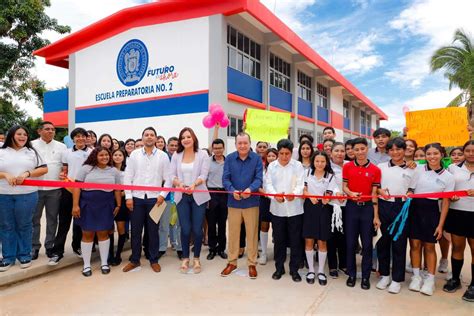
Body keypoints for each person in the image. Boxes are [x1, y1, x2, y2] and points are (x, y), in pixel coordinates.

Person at [408, 143, 455, 296]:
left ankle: (430, 280)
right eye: (429, 154)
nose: (432, 157)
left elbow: (446, 202)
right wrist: (409, 192)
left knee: (429, 246)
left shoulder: (448, 176)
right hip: (415, 209)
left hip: (432, 211)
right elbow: (411, 189)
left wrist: (440, 225)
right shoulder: (418, 169)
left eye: (436, 153)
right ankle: (416, 277)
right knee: (414, 244)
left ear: (442, 154)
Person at [122, 127, 171, 273]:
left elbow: (168, 179)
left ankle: (153, 259)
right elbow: (128, 177)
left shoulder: (163, 156)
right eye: (146, 135)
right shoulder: (134, 155)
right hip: (136, 199)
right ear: (142, 138)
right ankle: (135, 260)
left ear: (156, 138)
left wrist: (162, 195)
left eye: (152, 135)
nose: (149, 137)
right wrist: (129, 197)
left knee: (153, 231)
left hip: (155, 200)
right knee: (136, 231)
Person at [0, 126, 48, 271]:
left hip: (27, 194)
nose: (22, 137)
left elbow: (44, 169)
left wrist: (27, 174)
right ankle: (8, 257)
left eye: (25, 134)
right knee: (7, 225)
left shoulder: (32, 151)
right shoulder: (1, 151)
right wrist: (5, 175)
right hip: (3, 194)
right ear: (11, 135)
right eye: (19, 134)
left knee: (25, 225)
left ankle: (24, 255)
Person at [72, 147, 122, 276]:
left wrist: (118, 204)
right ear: (95, 156)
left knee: (103, 233)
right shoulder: (85, 169)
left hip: (106, 205)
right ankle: (86, 265)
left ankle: (104, 263)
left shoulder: (114, 171)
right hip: (87, 204)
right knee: (87, 234)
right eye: (101, 155)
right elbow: (77, 187)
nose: (105, 157)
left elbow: (117, 189)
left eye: (107, 155)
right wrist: (75, 205)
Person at [376, 137, 415, 294]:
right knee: (382, 242)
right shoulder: (380, 166)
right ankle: (385, 275)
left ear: (404, 150)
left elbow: (412, 188)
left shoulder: (413, 168)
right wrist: (379, 191)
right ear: (388, 151)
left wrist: (410, 193)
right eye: (391, 149)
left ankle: (397, 279)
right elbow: (376, 186)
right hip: (384, 205)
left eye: (399, 149)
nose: (395, 152)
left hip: (402, 207)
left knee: (399, 243)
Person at [221, 132, 263, 279]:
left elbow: (259, 179)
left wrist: (250, 190)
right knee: (233, 233)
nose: (243, 146)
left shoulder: (257, 159)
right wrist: (232, 191)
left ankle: (252, 263)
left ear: (250, 143)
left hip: (251, 202)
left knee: (252, 234)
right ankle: (232, 262)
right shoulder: (230, 159)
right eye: (240, 143)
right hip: (234, 202)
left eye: (245, 143)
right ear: (236, 144)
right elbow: (225, 179)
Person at [49, 127, 92, 265]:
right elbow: (65, 170)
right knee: (64, 221)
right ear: (73, 138)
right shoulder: (66, 153)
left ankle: (77, 246)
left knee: (80, 222)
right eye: (77, 136)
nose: (80, 138)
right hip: (68, 189)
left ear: (87, 138)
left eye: (83, 136)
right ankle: (57, 252)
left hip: (85, 191)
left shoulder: (92, 152)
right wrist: (62, 175)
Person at [343, 137, 381, 290]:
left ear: (367, 149)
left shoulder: (375, 170)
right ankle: (351, 274)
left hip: (367, 210)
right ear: (352, 151)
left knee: (367, 245)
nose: (359, 152)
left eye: (362, 149)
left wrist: (376, 215)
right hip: (351, 208)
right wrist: (351, 193)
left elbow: (374, 194)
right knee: (351, 244)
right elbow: (344, 186)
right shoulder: (348, 167)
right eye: (356, 149)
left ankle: (365, 277)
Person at [170, 127, 210, 274]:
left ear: (193, 138)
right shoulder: (176, 155)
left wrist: (194, 184)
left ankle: (197, 258)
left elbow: (204, 174)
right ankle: (185, 258)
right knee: (185, 229)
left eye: (188, 136)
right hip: (182, 196)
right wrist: (179, 184)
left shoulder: (202, 154)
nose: (186, 139)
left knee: (197, 230)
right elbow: (171, 175)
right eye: (183, 137)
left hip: (198, 195)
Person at [265, 139, 305, 282]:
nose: (284, 156)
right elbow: (268, 184)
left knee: (295, 240)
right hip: (277, 210)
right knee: (279, 240)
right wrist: (275, 196)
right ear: (278, 152)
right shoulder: (272, 166)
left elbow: (301, 184)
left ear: (291, 153)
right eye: (281, 153)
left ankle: (294, 270)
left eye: (287, 153)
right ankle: (279, 268)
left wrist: (294, 194)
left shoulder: (298, 165)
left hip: (295, 209)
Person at [443, 140, 474, 302]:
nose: (471, 153)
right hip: (457, 213)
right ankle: (455, 279)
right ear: (464, 152)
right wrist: (451, 196)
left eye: (473, 151)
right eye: (468, 151)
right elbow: (446, 187)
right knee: (457, 247)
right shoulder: (453, 168)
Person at [31, 121, 67, 260]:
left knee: (52, 219)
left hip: (55, 189)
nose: (51, 131)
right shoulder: (31, 145)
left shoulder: (61, 146)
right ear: (39, 131)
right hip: (35, 189)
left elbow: (64, 166)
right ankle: (34, 247)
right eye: (47, 129)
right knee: (35, 219)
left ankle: (49, 246)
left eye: (52, 129)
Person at [303, 151, 338, 285]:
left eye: (322, 161)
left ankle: (321, 271)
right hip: (309, 208)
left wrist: (327, 197)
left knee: (322, 241)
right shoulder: (307, 173)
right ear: (313, 161)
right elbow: (304, 189)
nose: (319, 164)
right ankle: (311, 270)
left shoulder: (330, 176)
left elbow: (331, 190)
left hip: (324, 209)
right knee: (309, 240)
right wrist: (309, 196)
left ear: (326, 163)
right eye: (317, 161)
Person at [328, 142, 348, 278]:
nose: (339, 154)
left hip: (348, 205)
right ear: (331, 152)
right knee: (331, 237)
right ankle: (332, 266)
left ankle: (344, 264)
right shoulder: (326, 166)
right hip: (331, 206)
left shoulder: (350, 165)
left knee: (345, 236)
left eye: (342, 151)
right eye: (337, 151)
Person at [206, 138, 228, 260]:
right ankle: (212, 249)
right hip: (211, 195)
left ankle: (221, 249)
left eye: (220, 148)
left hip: (225, 194)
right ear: (213, 149)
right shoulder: (207, 162)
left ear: (223, 148)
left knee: (222, 223)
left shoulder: (228, 161)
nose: (218, 150)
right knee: (211, 223)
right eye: (215, 148)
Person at [258, 148, 278, 265]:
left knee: (277, 227)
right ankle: (264, 254)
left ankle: (278, 252)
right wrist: (264, 192)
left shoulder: (280, 169)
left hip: (277, 201)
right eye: (269, 156)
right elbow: (258, 184)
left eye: (273, 156)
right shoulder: (262, 170)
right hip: (265, 200)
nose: (271, 158)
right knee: (264, 226)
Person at [110, 148, 129, 266]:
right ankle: (110, 254)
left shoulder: (127, 172)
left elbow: (129, 187)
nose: (117, 157)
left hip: (122, 202)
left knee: (121, 229)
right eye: (115, 154)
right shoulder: (108, 171)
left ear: (124, 157)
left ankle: (118, 254)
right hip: (108, 201)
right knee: (109, 230)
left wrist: (120, 193)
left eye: (120, 155)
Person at [166, 136, 182, 252]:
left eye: (176, 145)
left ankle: (178, 245)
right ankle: (169, 243)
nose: (174, 148)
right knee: (166, 222)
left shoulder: (183, 158)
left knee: (177, 221)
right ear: (167, 146)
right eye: (172, 145)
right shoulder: (163, 158)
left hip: (179, 194)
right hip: (166, 195)